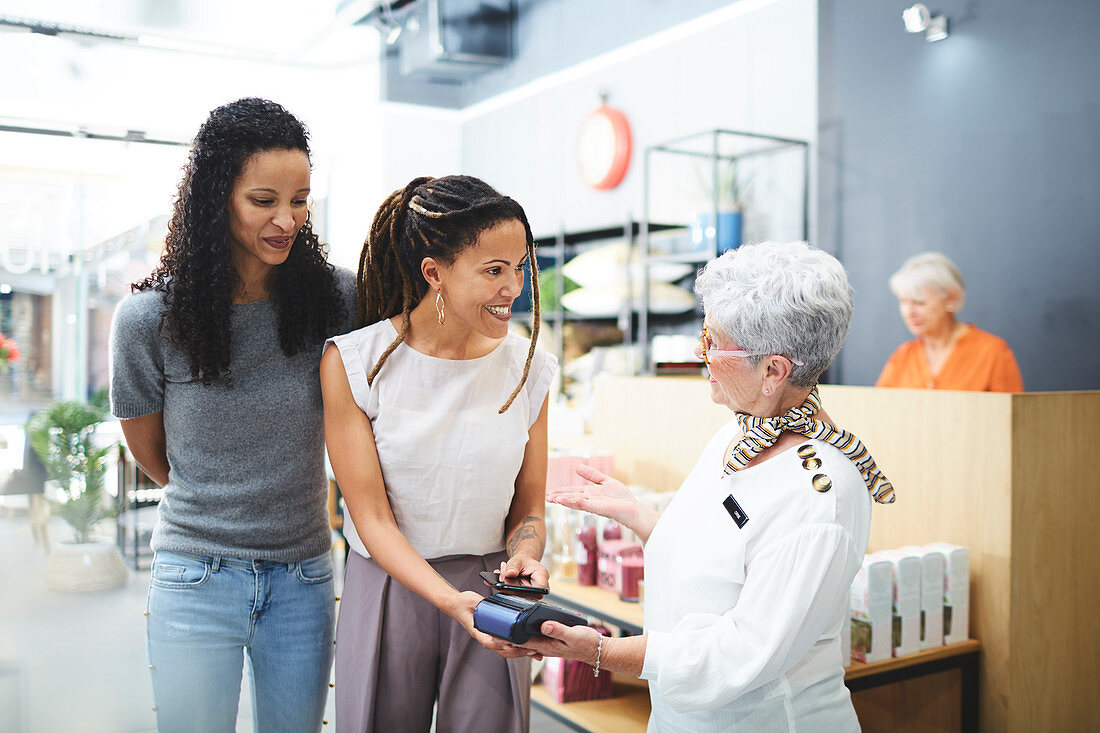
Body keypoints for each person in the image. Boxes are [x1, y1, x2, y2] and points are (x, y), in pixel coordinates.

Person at [520, 241, 895, 732]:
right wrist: (641, 518)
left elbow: (741, 651)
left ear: (773, 371)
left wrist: (602, 651)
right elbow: (720, 565)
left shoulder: (819, 498)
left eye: (713, 343)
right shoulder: (740, 432)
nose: (702, 354)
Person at [109, 98, 355, 733]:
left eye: (300, 200)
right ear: (218, 198)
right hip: (196, 575)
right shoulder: (149, 322)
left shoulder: (336, 302)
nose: (286, 219)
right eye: (264, 200)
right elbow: (154, 458)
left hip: (302, 577)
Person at [320, 175, 558, 732]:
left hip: (492, 586)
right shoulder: (356, 363)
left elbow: (529, 507)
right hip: (388, 584)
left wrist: (528, 554)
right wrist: (450, 601)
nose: (514, 288)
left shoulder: (530, 369)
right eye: (494, 270)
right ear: (435, 273)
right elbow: (371, 519)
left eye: (520, 267)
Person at [876, 251, 1023, 391]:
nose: (909, 312)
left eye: (919, 302)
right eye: (903, 302)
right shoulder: (903, 356)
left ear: (951, 299)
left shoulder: (992, 352)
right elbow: (877, 408)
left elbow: (1013, 414)